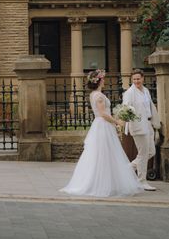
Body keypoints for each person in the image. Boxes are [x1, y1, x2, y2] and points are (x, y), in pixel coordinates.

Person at [60, 69, 144, 197]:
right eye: (103, 78)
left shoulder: (95, 94)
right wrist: (117, 121)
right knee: (104, 154)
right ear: (98, 81)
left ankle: (108, 183)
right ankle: (100, 184)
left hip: (102, 126)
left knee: (105, 154)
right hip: (103, 126)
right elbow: (103, 113)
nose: (104, 80)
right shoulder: (98, 96)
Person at [122, 69, 159, 191]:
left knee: (151, 152)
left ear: (143, 78)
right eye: (134, 79)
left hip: (148, 124)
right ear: (132, 80)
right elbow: (126, 109)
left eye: (138, 79)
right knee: (143, 154)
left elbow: (150, 107)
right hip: (138, 126)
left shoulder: (146, 91)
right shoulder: (129, 92)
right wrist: (133, 119)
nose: (136, 81)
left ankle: (126, 169)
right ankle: (142, 181)